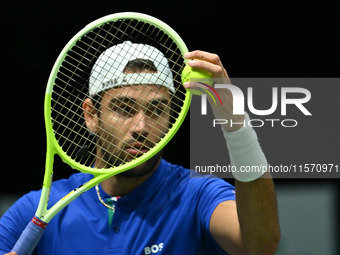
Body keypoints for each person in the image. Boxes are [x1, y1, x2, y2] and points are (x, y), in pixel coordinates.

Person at [0, 41, 280, 255]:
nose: (141, 127)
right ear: (91, 115)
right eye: (124, 109)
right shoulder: (37, 209)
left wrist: (238, 128)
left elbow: (259, 247)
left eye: (157, 110)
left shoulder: (198, 195)